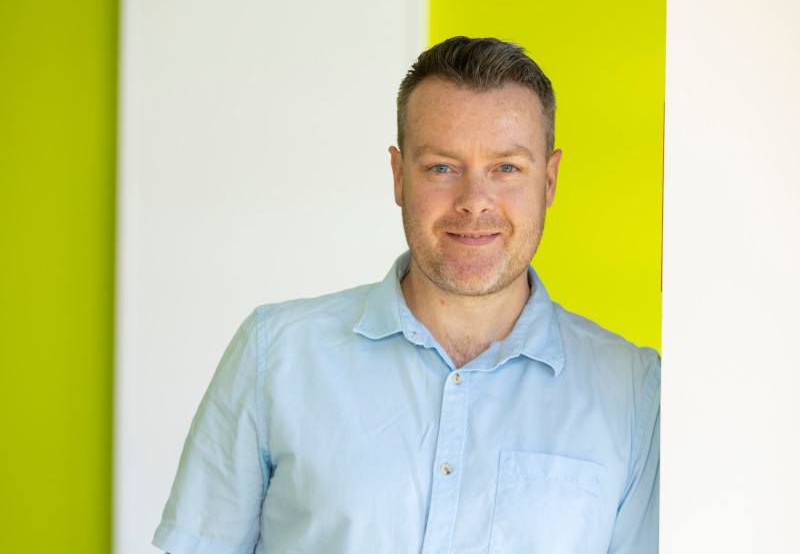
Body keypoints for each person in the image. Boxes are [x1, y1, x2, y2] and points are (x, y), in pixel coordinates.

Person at [152, 36, 660, 554]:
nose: (474, 202)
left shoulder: (632, 391)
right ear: (399, 177)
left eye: (507, 168)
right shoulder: (275, 354)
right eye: (442, 167)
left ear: (549, 181)